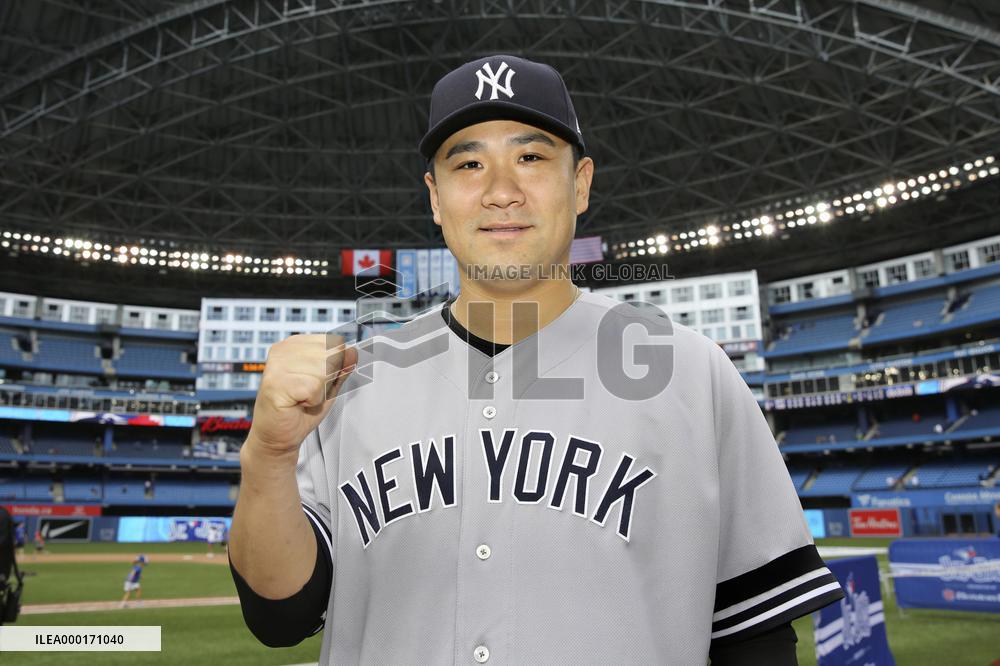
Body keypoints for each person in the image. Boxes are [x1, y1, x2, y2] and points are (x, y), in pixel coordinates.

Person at [228, 54, 845, 664]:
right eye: (468, 163)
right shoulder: (354, 377)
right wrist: (269, 455)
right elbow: (280, 617)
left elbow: (756, 637)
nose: (501, 191)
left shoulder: (691, 371)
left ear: (580, 184)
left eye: (531, 157)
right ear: (435, 197)